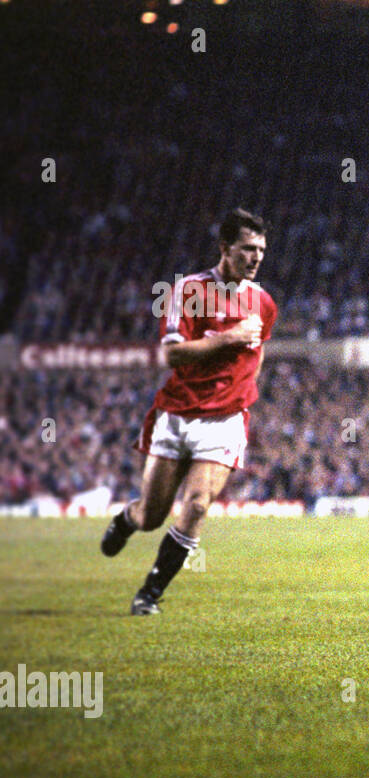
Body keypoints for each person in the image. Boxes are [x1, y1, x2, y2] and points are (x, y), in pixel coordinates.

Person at [100, 209, 278, 615]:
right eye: (248, 249)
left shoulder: (263, 302)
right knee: (151, 515)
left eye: (261, 251)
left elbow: (259, 347)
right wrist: (229, 338)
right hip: (177, 415)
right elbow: (172, 354)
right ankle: (127, 520)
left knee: (197, 505)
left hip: (225, 420)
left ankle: (149, 593)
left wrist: (244, 388)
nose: (256, 258)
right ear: (224, 248)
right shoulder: (188, 291)